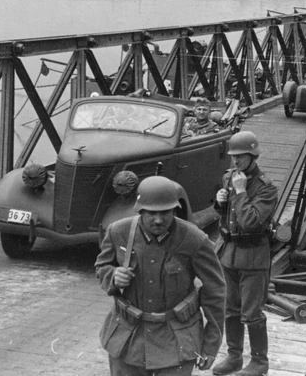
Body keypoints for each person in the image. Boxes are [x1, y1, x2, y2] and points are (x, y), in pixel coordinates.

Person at [95, 176, 226, 376]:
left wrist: (211, 345)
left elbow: (215, 292)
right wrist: (113, 276)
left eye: (165, 212)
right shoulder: (118, 231)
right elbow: (102, 266)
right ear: (140, 210)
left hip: (176, 340)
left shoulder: (194, 239)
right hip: (129, 339)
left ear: (174, 210)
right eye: (151, 213)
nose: (158, 220)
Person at [211, 132, 279, 376]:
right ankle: (234, 357)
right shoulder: (229, 177)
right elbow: (228, 218)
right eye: (233, 156)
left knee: (251, 312)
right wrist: (220, 203)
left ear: (253, 156)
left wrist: (240, 193)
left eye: (241, 156)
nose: (236, 161)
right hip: (229, 252)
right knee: (231, 308)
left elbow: (250, 222)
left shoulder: (266, 187)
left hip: (253, 256)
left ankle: (260, 362)